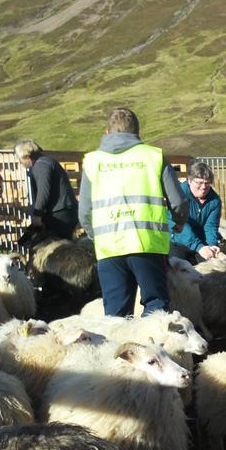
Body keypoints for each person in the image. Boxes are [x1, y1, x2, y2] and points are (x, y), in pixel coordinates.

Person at [78, 107, 188, 317]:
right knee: (155, 305)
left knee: (115, 314)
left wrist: (95, 236)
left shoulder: (93, 161)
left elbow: (84, 211)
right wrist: (179, 221)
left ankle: (118, 350)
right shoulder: (153, 157)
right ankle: (151, 347)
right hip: (147, 244)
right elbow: (178, 200)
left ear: (107, 131)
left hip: (109, 248)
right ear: (137, 132)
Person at [13, 139, 78, 240]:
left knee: (54, 247)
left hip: (59, 214)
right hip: (64, 211)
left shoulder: (41, 165)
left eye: (19, 159)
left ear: (25, 156)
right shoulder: (46, 161)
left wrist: (37, 215)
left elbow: (43, 192)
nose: (20, 162)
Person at [170, 160, 222, 262]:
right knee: (179, 267)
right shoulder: (177, 195)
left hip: (200, 243)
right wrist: (198, 247)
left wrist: (212, 245)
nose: (203, 187)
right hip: (177, 240)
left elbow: (210, 226)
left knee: (211, 267)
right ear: (189, 180)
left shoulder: (214, 201)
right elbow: (179, 224)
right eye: (199, 182)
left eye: (207, 183)